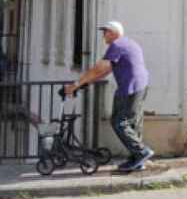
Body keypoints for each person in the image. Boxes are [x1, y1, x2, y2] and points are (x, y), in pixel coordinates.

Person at [64, 21, 153, 172]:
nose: (103, 35)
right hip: (141, 85)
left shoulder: (117, 45)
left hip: (129, 87)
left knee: (119, 122)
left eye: (105, 32)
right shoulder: (128, 43)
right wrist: (87, 82)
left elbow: (98, 68)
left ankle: (142, 152)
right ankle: (137, 159)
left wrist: (76, 85)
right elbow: (105, 71)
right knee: (132, 122)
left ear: (113, 33)